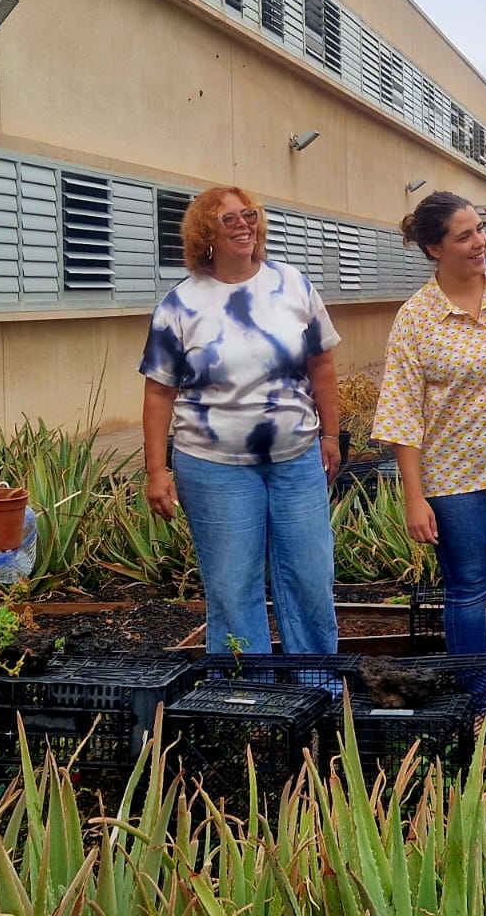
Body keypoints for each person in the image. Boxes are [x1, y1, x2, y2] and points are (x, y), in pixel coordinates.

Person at [372, 190, 486, 716]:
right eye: (464, 236)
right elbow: (401, 416)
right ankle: (473, 706)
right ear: (435, 248)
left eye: (479, 229)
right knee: (467, 590)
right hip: (455, 482)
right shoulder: (415, 320)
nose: (480, 242)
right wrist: (415, 498)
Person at [140, 185, 342, 656]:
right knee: (233, 586)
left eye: (248, 215)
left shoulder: (292, 285)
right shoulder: (180, 304)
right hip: (213, 466)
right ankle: (246, 689)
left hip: (296, 458)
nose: (243, 225)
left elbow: (322, 364)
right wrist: (156, 470)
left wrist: (331, 434)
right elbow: (158, 391)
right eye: (227, 219)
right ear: (204, 233)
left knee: (311, 578)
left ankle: (318, 682)